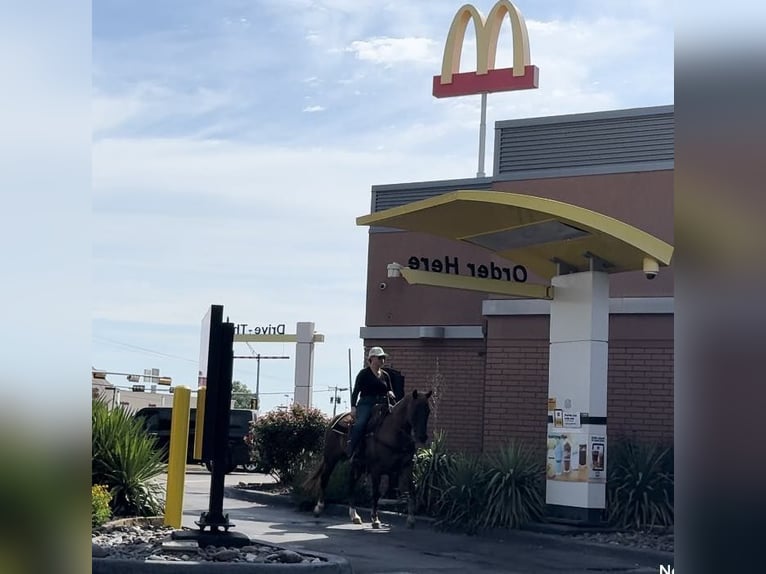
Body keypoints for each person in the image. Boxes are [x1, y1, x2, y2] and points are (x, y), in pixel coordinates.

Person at [346, 346, 395, 459]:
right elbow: (356, 392)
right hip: (366, 403)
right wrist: (353, 407)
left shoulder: (385, 375)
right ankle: (351, 449)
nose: (382, 360)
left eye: (383, 358)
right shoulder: (363, 374)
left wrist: (390, 393)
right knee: (361, 423)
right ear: (371, 359)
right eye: (379, 358)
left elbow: (389, 389)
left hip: (382, 403)